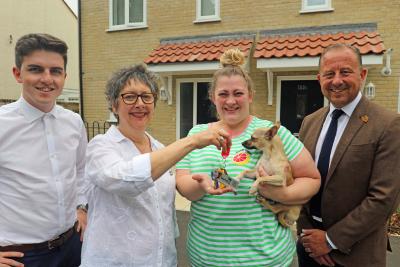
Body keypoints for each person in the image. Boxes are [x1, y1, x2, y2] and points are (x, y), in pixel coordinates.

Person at [175, 48, 321, 266]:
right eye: (223, 94)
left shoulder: (270, 133)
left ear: (250, 95)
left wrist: (282, 193)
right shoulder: (196, 134)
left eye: (238, 93)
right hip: (206, 258)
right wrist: (200, 185)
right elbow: (184, 184)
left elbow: (311, 179)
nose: (231, 101)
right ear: (213, 97)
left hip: (264, 259)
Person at [80, 64, 231, 267]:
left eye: (146, 96)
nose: (140, 104)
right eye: (130, 97)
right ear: (114, 105)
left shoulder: (159, 148)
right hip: (115, 261)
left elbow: (164, 210)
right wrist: (192, 141)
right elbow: (127, 180)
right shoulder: (101, 146)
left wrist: (206, 181)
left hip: (162, 260)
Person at [296, 43, 400, 267]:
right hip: (309, 248)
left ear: (362, 75)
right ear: (319, 79)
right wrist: (308, 235)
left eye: (345, 72)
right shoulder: (309, 122)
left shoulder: (388, 124)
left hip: (356, 254)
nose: (336, 81)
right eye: (329, 74)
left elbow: (384, 198)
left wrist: (330, 240)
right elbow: (299, 178)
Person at [0, 33, 88, 267]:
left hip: (71, 245)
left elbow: (81, 172)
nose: (47, 79)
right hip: (21, 256)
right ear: (18, 73)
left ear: (64, 76)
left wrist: (82, 208)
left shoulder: (74, 122)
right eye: (36, 69)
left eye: (55, 71)